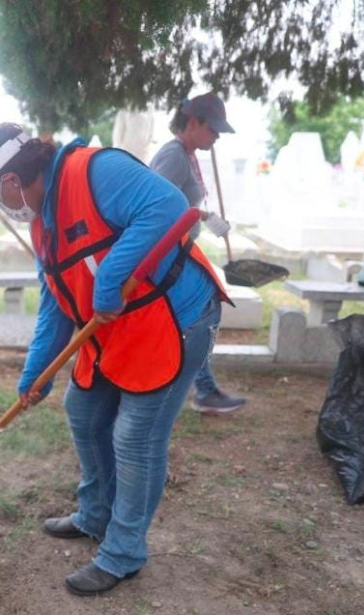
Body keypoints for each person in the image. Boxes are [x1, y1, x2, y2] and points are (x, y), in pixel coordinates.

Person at [0, 124, 231, 595]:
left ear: (10, 181)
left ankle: (124, 552)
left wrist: (110, 278)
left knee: (135, 436)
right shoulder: (41, 220)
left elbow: (168, 207)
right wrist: (36, 372)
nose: (5, 210)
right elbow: (56, 299)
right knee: (82, 411)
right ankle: (95, 514)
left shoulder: (96, 170)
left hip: (173, 316)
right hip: (116, 328)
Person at [149, 92, 247, 415]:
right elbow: (154, 206)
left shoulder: (186, 154)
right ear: (193, 123)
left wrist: (204, 218)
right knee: (201, 314)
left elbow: (179, 202)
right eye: (213, 130)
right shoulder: (174, 156)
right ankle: (198, 390)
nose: (216, 137)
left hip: (179, 250)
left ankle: (200, 388)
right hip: (168, 255)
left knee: (195, 316)